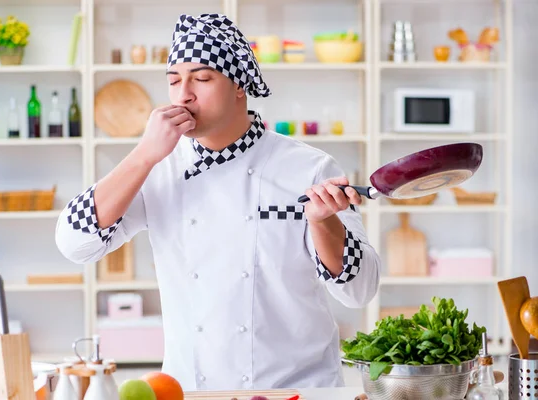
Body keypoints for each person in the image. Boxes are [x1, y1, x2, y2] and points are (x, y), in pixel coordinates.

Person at [55, 13, 380, 391]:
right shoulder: (157, 168)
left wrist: (324, 222)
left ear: (239, 85)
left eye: (202, 78)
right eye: (174, 81)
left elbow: (360, 290)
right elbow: (74, 243)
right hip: (189, 390)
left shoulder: (308, 167)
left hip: (297, 389)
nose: (184, 94)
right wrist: (143, 155)